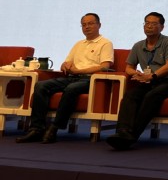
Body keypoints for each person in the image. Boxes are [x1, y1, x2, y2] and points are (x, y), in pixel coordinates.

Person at [16, 13, 114, 144]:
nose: (87, 27)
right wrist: (65, 65)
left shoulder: (105, 43)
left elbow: (105, 66)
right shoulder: (79, 44)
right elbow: (67, 62)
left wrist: (79, 71)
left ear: (99, 25)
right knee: (41, 85)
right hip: (72, 77)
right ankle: (36, 128)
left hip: (90, 79)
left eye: (90, 23)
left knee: (71, 89)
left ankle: (54, 128)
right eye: (84, 25)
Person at [106, 11, 168, 150]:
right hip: (150, 82)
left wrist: (152, 76)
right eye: (147, 23)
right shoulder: (138, 46)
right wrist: (136, 73)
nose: (149, 26)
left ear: (162, 27)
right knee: (130, 95)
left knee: (151, 95)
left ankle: (131, 136)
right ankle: (122, 132)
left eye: (153, 24)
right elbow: (128, 67)